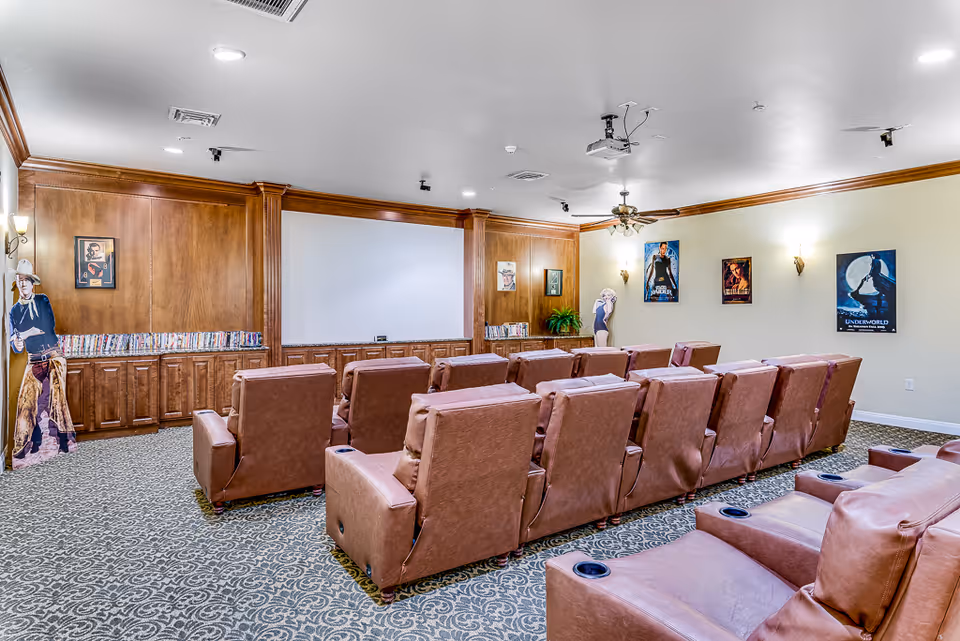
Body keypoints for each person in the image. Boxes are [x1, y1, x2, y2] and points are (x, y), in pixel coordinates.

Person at [9, 259, 76, 469]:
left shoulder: (42, 301)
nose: (23, 284)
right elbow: (17, 346)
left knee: (57, 398)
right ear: (17, 284)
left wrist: (24, 333)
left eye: (26, 281)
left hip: (53, 356)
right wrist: (18, 341)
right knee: (25, 402)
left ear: (32, 283)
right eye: (20, 281)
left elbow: (47, 326)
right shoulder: (13, 312)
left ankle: (63, 441)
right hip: (33, 360)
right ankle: (26, 446)